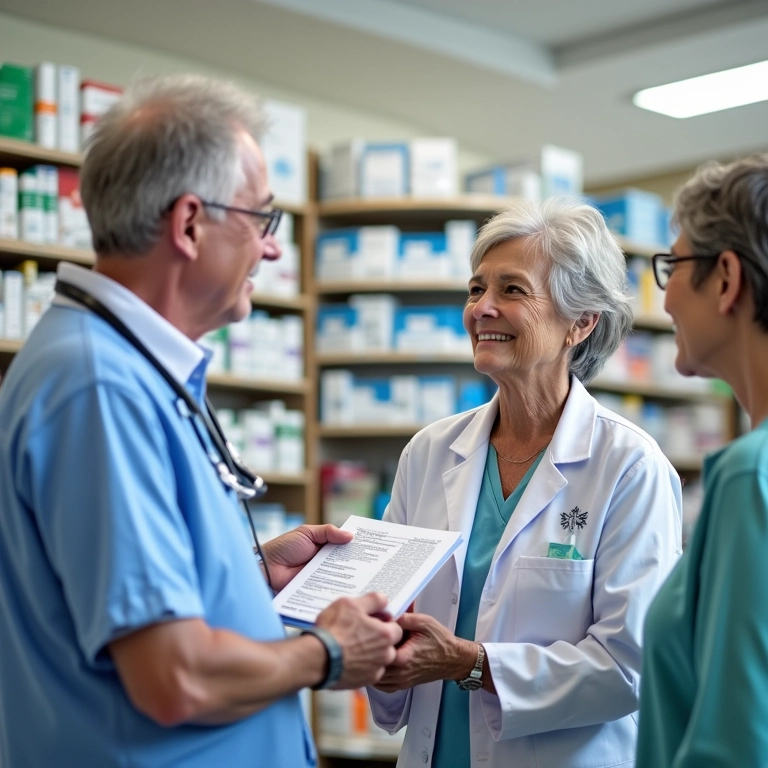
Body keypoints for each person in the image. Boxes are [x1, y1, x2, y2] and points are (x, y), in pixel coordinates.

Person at [0, 73, 402, 768]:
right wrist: (328, 651)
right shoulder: (100, 388)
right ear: (189, 223)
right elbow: (173, 677)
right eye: (261, 220)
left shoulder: (119, 367)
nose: (272, 250)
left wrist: (250, 574)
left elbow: (116, 594)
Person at [366, 198, 683, 768]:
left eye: (512, 290)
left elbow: (632, 667)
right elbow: (391, 610)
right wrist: (377, 648)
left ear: (581, 323)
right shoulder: (430, 452)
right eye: (475, 288)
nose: (482, 309)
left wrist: (469, 662)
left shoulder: (630, 465)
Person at [636, 154, 768, 767]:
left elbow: (735, 745)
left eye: (673, 268)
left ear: (726, 278)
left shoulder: (751, 474)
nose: (664, 303)